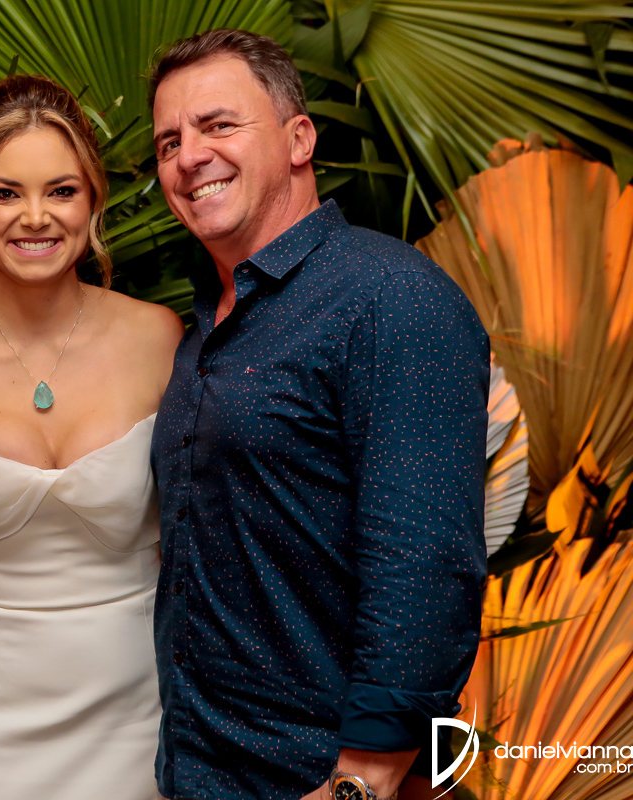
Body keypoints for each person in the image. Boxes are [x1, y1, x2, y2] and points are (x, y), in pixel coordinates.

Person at [147, 30, 489, 800]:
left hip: (320, 774)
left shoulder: (392, 297)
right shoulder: (202, 329)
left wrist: (364, 775)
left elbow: (425, 560)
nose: (190, 156)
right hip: (200, 765)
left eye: (218, 125)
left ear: (299, 139)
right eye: (169, 142)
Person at [0, 74, 183, 800]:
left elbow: (215, 514)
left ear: (93, 201)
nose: (35, 217)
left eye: (61, 191)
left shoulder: (159, 337)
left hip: (147, 704)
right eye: (6, 193)